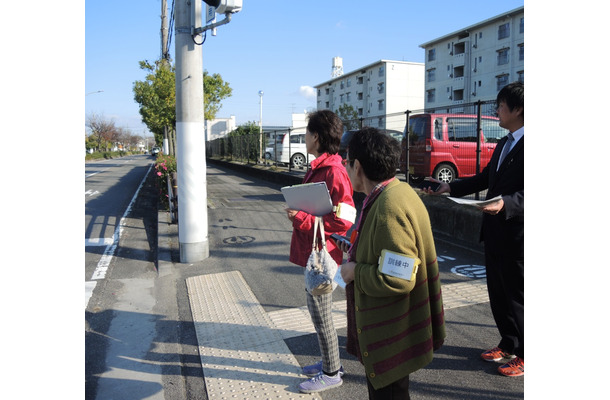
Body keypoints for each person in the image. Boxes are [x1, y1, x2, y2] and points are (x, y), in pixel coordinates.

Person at [423, 81, 524, 377]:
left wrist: (507, 203)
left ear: (518, 109)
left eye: (501, 106)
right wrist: (449, 186)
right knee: (499, 294)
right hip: (493, 231)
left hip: (519, 235)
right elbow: (484, 178)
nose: (496, 110)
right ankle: (509, 344)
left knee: (519, 296)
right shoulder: (507, 142)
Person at [338, 127, 446, 399]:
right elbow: (389, 254)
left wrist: (354, 271)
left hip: (390, 336)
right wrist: (357, 248)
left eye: (347, 161)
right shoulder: (398, 191)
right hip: (395, 328)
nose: (345, 167)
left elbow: (398, 278)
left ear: (358, 166)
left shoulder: (388, 208)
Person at [285, 110, 355, 394]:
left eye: (307, 133)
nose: (305, 138)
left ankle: (331, 373)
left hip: (324, 257)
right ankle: (331, 363)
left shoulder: (334, 171)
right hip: (316, 253)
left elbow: (346, 217)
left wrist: (300, 218)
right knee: (318, 313)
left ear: (317, 136)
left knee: (321, 315)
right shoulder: (321, 166)